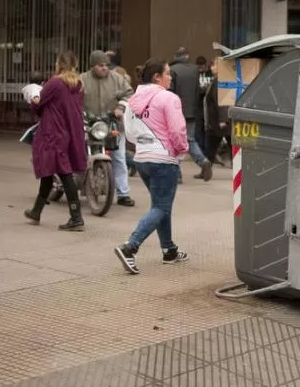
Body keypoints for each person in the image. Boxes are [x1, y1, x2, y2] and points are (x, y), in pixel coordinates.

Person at [116, 59, 190, 274]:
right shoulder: (168, 98)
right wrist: (182, 149)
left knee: (160, 205)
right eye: (168, 73)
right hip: (163, 159)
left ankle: (169, 250)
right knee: (161, 207)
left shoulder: (133, 100)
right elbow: (177, 130)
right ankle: (129, 247)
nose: (170, 77)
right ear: (157, 77)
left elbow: (128, 133)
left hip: (141, 158)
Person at [23, 51, 88, 231]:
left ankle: (76, 217)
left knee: (63, 172)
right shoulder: (80, 84)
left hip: (53, 132)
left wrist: (34, 98)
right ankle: (36, 211)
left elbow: (38, 104)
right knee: (49, 171)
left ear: (59, 64)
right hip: (70, 131)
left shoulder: (55, 83)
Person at [81, 50, 136, 207]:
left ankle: (123, 193)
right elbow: (73, 98)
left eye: (106, 65)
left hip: (113, 124)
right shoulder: (82, 80)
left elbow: (129, 94)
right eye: (100, 65)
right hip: (88, 125)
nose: (104, 68)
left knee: (119, 158)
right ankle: (81, 184)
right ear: (92, 66)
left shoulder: (117, 79)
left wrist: (120, 107)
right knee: (80, 155)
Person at [170, 47, 213, 180]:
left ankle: (176, 174)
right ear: (187, 56)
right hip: (192, 112)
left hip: (176, 112)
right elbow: (199, 90)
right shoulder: (195, 70)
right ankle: (203, 161)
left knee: (173, 142)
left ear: (175, 56)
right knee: (190, 139)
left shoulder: (173, 71)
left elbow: (171, 92)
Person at [201, 59, 231, 174]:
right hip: (216, 122)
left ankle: (206, 170)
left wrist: (223, 119)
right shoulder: (217, 81)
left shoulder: (220, 82)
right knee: (211, 148)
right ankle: (206, 170)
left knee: (213, 146)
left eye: (214, 65)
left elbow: (222, 102)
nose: (211, 67)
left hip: (219, 122)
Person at [195, 55, 212, 155]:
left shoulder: (210, 74)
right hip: (198, 105)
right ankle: (202, 151)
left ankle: (207, 151)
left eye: (203, 67)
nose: (201, 69)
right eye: (199, 67)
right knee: (199, 130)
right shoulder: (195, 74)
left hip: (209, 105)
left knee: (208, 130)